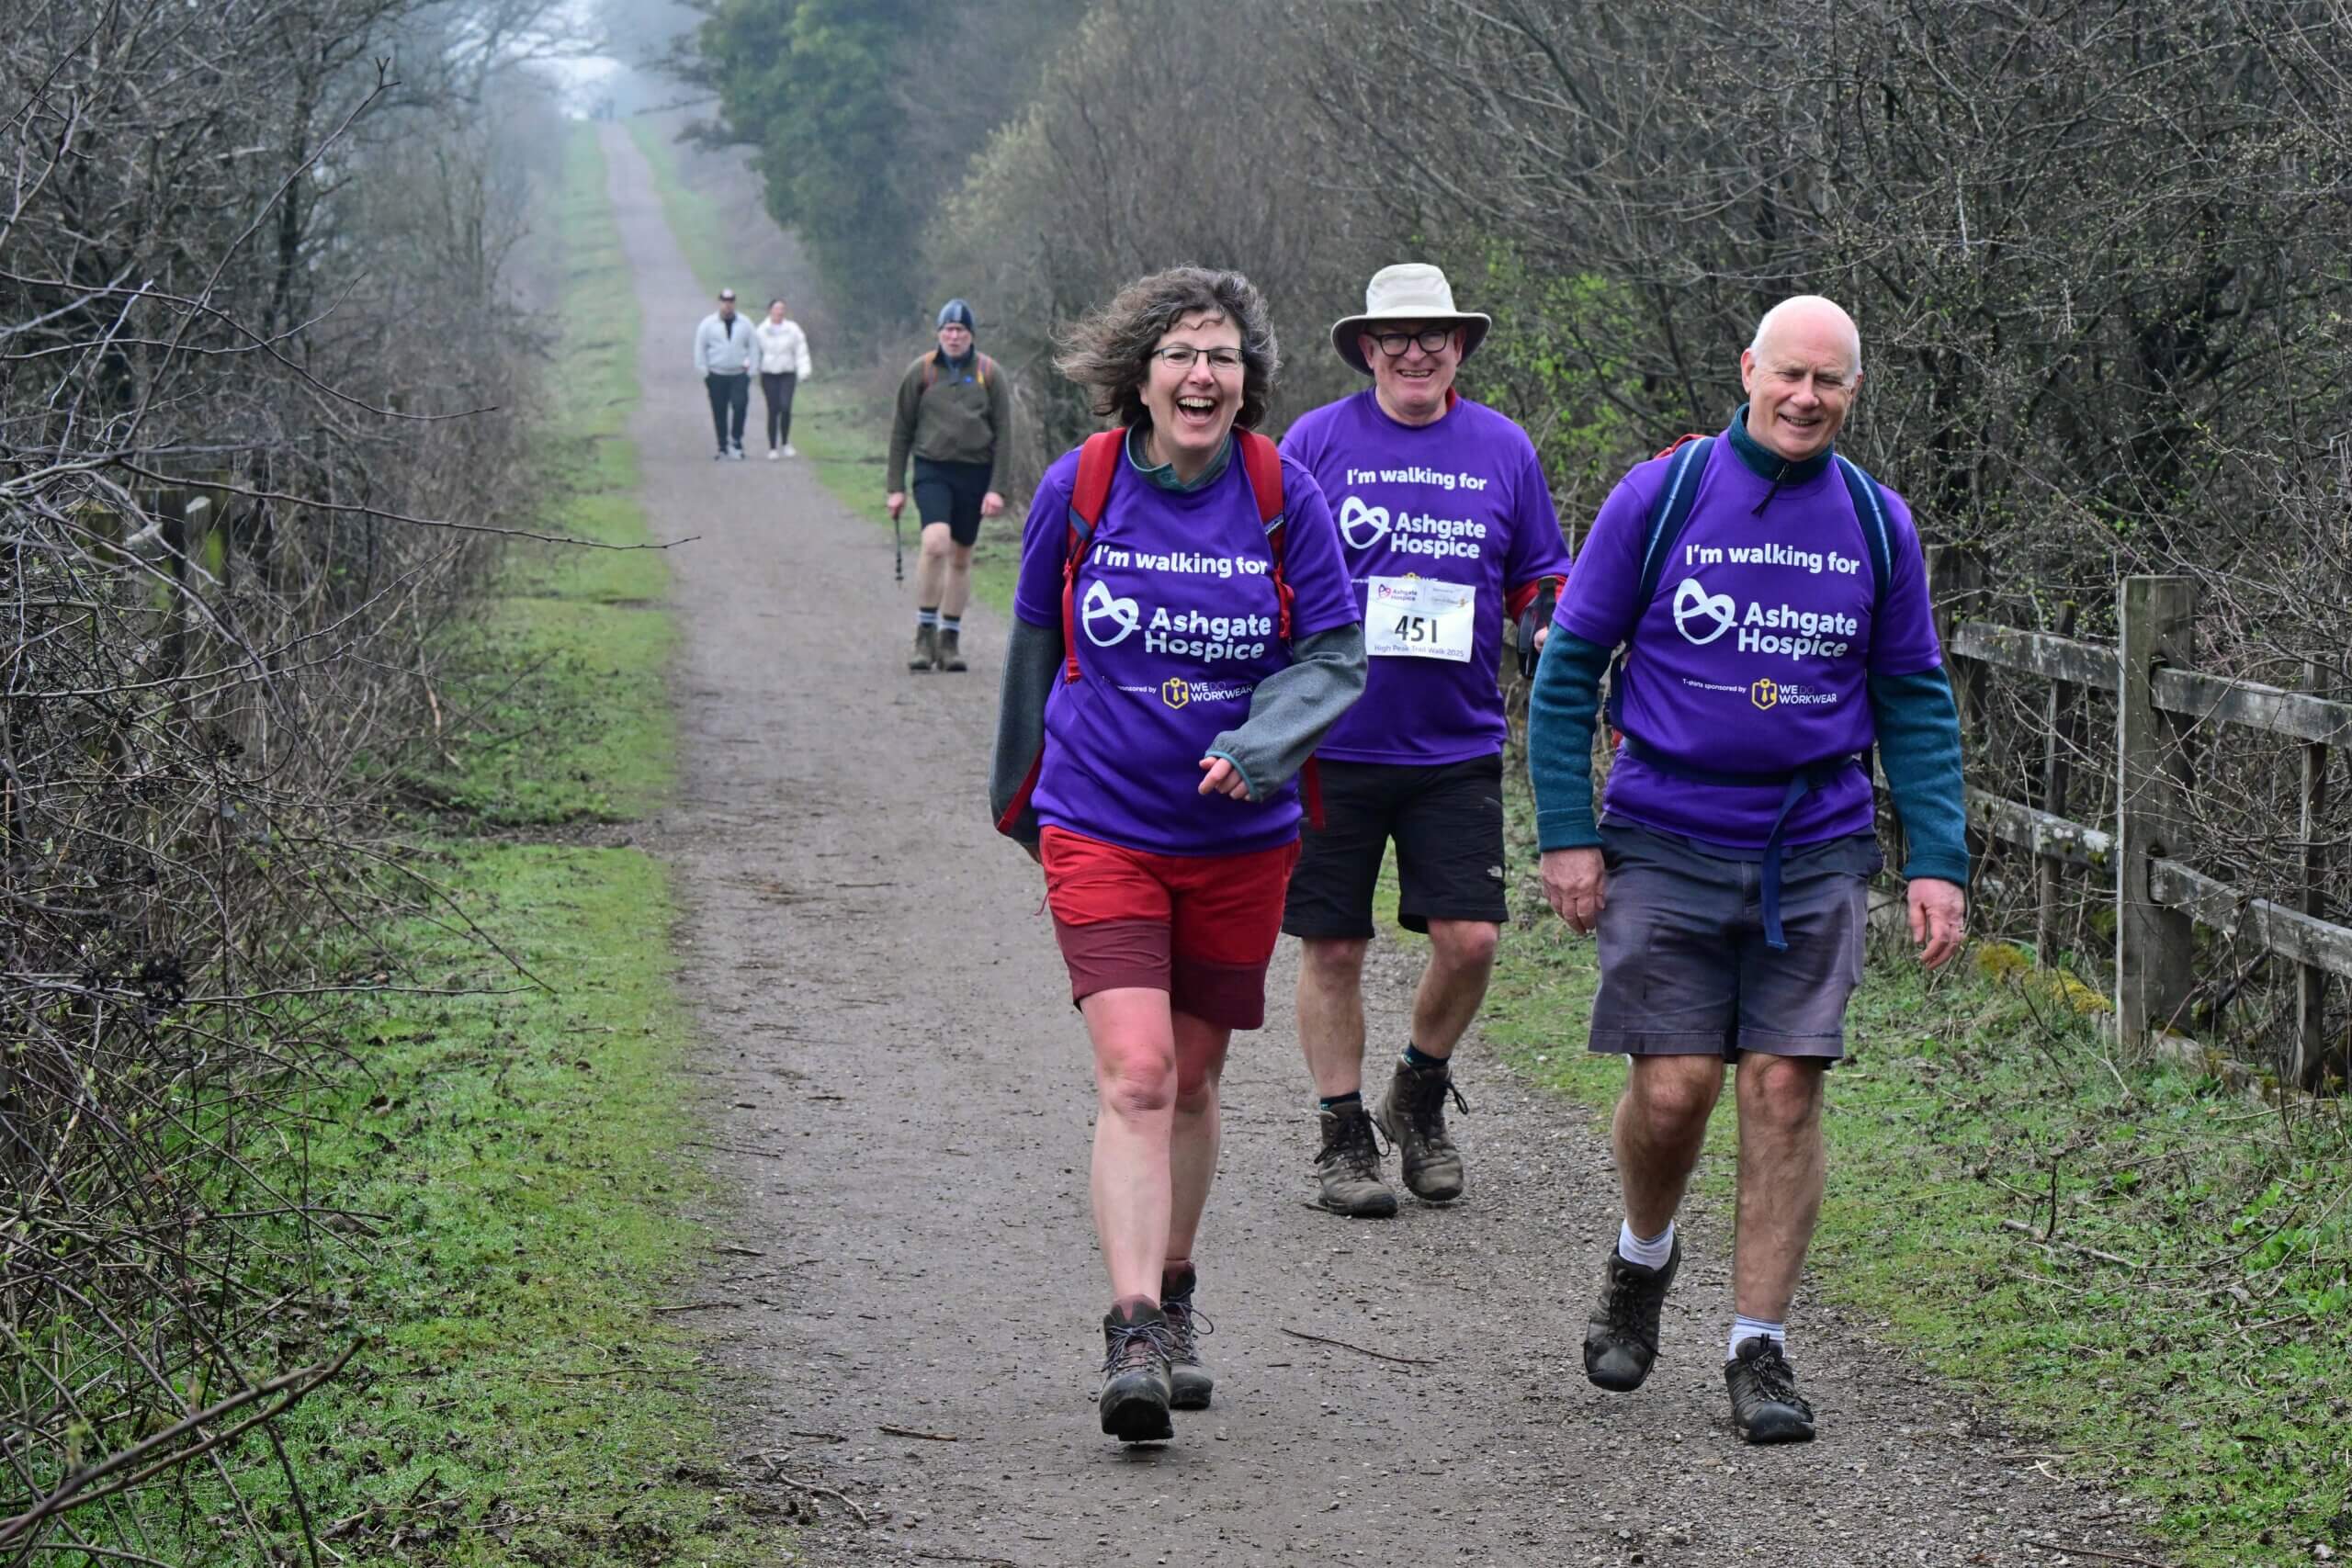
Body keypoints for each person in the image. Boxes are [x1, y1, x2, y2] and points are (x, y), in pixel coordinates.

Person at [1526, 294, 1969, 1445]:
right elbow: (1570, 666)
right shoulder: (1661, 494)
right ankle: (1641, 1257)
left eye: (1828, 382)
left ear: (1852, 393)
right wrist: (1566, 833)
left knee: (1783, 1087)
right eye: (1789, 375)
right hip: (1664, 834)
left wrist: (1937, 861)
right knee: (1673, 1090)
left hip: (1813, 843)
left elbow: (1913, 700)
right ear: (1749, 371)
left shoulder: (1877, 523)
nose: (1806, 398)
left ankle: (1756, 1346)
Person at [989, 266, 1365, 1443]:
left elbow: (1336, 658)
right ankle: (1133, 1326)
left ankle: (1180, 1287)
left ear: (1247, 383)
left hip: (1239, 841)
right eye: (1181, 355)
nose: (1202, 377)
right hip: (1100, 820)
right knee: (1138, 1074)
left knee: (1195, 1080)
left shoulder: (1279, 493)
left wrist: (1258, 747)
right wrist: (1022, 799)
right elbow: (1036, 644)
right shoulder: (1082, 483)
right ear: (1140, 375)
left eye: (1223, 358)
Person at [1277, 264, 1572, 1218]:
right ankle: (1339, 1139)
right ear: (1366, 347)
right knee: (1332, 949)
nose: (1415, 351)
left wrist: (1554, 632)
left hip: (1454, 747)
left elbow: (1540, 582)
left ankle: (1415, 1090)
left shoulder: (1502, 447)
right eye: (1395, 337)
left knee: (1472, 939)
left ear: (1458, 348)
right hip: (1331, 743)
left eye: (1433, 337)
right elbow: (1262, 575)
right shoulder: (1314, 443)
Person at [888, 300, 1010, 672]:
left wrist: (997, 488)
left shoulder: (990, 373)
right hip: (932, 469)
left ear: (971, 335)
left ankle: (950, 639)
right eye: (948, 330)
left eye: (961, 330)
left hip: (975, 473)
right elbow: (901, 430)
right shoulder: (921, 371)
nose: (954, 336)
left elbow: (1005, 434)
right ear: (939, 333)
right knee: (935, 542)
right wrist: (895, 486)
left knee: (960, 558)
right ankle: (924, 634)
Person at [693, 287, 759, 459]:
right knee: (719, 410)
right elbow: (700, 348)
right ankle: (722, 445)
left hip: (739, 374)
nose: (727, 306)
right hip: (716, 373)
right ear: (719, 303)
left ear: (734, 303)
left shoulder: (745, 323)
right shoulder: (708, 324)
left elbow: (753, 347)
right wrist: (704, 372)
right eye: (724, 302)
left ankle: (736, 440)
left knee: (740, 406)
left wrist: (751, 371)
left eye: (730, 302)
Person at [753, 299, 814, 458]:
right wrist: (751, 367)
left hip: (787, 373)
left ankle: (786, 442)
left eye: (782, 309)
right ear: (770, 311)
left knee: (786, 407)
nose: (779, 312)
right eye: (776, 308)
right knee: (773, 410)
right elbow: (754, 351)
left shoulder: (793, 329)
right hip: (768, 374)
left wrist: (804, 371)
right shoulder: (761, 330)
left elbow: (801, 351)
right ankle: (772, 447)